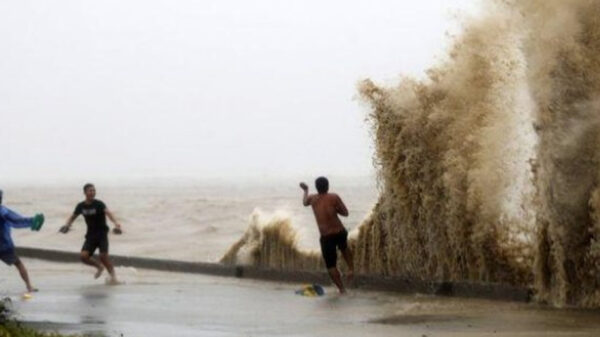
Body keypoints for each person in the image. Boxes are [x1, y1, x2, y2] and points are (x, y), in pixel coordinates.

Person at [300, 177, 354, 294]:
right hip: (339, 231)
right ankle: (351, 269)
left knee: (331, 266)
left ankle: (342, 289)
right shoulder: (334, 197)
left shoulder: (313, 199)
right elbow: (346, 213)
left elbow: (304, 203)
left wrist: (305, 190)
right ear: (327, 186)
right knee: (344, 248)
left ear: (316, 187)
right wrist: (335, 209)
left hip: (326, 236)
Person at [60, 183, 122, 283]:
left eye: (94, 190)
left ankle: (114, 278)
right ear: (85, 193)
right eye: (90, 190)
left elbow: (108, 213)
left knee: (103, 257)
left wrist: (116, 223)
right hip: (91, 235)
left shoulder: (99, 204)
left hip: (102, 234)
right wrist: (67, 225)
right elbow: (73, 217)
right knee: (83, 256)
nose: (93, 192)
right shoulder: (81, 206)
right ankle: (99, 267)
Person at [0, 189, 44, 293]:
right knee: (18, 263)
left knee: (18, 263)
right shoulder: (2, 210)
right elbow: (15, 220)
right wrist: (32, 221)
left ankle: (29, 286)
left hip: (4, 245)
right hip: (4, 245)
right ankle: (29, 286)